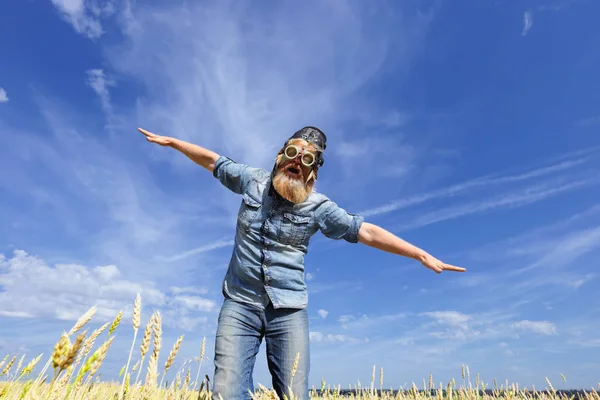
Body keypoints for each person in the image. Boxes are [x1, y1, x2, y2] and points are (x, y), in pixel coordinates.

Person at [138, 126, 465, 400]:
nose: (297, 161)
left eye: (307, 159)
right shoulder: (253, 180)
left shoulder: (319, 206)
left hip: (289, 311)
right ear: (280, 157)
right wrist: (174, 143)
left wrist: (420, 254)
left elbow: (364, 231)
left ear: (313, 170)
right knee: (226, 391)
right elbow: (214, 161)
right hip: (240, 305)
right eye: (292, 153)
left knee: (295, 395)